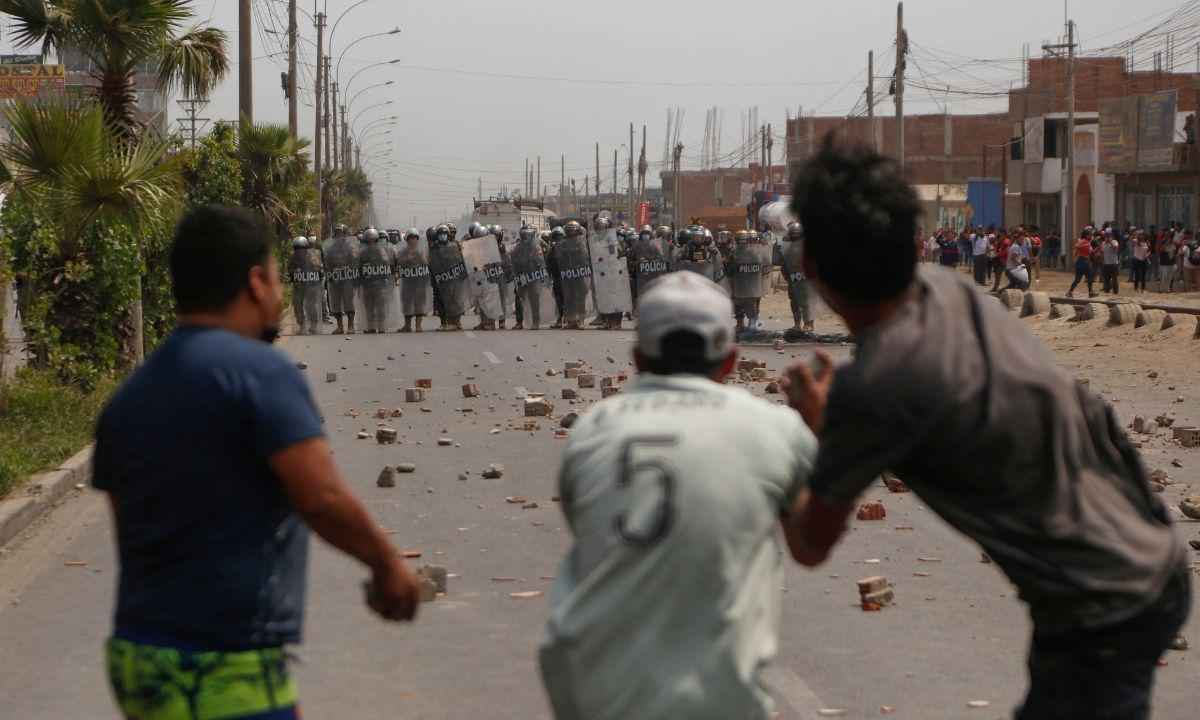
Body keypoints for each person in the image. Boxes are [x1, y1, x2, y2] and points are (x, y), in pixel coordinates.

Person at [783, 140, 1189, 720]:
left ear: (810, 267)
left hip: (1100, 606)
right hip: (1145, 563)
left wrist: (779, 449)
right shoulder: (952, 293)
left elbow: (809, 543)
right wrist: (837, 423)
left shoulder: (874, 386)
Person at [93, 205, 420, 720]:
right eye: (275, 277)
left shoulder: (128, 398)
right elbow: (321, 498)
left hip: (138, 657)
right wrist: (387, 565)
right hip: (224, 662)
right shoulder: (260, 373)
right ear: (256, 282)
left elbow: (129, 528)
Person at [540, 271, 817, 720]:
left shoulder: (592, 428)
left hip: (587, 685)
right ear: (730, 360)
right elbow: (810, 543)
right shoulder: (772, 427)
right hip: (716, 699)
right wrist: (819, 436)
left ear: (638, 359)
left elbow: (583, 523)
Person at [324, 224, 359, 335]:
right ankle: (339, 327)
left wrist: (350, 269)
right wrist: (330, 273)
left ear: (345, 234)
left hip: (347, 278)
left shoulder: (351, 247)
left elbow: (355, 261)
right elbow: (327, 263)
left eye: (341, 233)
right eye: (337, 233)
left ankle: (351, 326)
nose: (339, 235)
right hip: (335, 279)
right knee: (335, 303)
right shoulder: (330, 249)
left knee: (349, 302)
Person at [395, 228, 432, 333]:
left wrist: (418, 256)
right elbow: (399, 263)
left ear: (417, 239)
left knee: (419, 303)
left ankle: (418, 326)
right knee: (407, 303)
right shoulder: (402, 252)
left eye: (414, 238)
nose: (412, 240)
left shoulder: (422, 251)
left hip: (420, 282)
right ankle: (407, 325)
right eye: (410, 238)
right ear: (407, 240)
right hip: (407, 283)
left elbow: (427, 263)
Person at [286, 236, 322, 335]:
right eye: (297, 249)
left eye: (301, 248)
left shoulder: (313, 256)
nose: (299, 251)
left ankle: (314, 325)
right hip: (299, 286)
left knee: (311, 305)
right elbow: (289, 270)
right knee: (297, 305)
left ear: (306, 248)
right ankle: (302, 325)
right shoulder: (292, 257)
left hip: (311, 285)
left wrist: (314, 267)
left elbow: (318, 268)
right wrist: (294, 271)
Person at [1067, 229, 1097, 298]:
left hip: (1086, 261)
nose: (1091, 236)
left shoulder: (1088, 242)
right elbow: (1076, 246)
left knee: (1090, 278)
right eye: (1090, 235)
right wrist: (1084, 246)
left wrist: (1096, 249)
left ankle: (1091, 292)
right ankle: (1070, 292)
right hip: (1081, 261)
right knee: (1078, 279)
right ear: (1086, 235)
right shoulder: (1083, 241)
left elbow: (1091, 252)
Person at [1101, 229, 1121, 294]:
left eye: (1108, 235)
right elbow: (1102, 252)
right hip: (1106, 264)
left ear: (1111, 235)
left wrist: (1110, 242)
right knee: (1106, 279)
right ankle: (1107, 291)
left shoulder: (1115, 242)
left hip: (1114, 263)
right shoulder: (1103, 243)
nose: (1107, 236)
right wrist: (1102, 260)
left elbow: (1116, 248)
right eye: (1106, 235)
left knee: (1114, 279)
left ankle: (1115, 292)